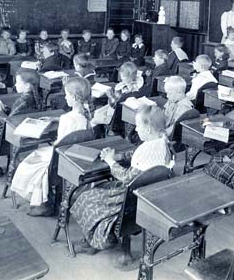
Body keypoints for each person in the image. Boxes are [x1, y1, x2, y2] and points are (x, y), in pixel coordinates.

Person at [71, 105, 173, 253]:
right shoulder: (162, 142)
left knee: (87, 197)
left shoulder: (146, 150)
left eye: (138, 126)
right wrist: (118, 156)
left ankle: (96, 239)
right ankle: (93, 237)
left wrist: (110, 161)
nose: (136, 129)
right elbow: (139, 154)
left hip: (127, 198)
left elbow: (126, 178)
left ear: (149, 129)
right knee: (99, 190)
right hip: (146, 194)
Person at [11, 77, 92, 216]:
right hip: (75, 155)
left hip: (59, 159)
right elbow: (74, 121)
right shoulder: (87, 113)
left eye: (67, 94)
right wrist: (57, 119)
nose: (65, 97)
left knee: (29, 161)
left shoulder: (68, 119)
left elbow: (60, 142)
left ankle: (43, 204)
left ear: (73, 97)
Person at [91, 62, 144, 129]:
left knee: (94, 119)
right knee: (97, 112)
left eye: (122, 76)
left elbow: (114, 104)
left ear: (127, 77)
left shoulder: (124, 89)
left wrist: (110, 96)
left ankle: (97, 134)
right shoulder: (138, 85)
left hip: (113, 115)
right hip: (124, 112)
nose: (121, 78)